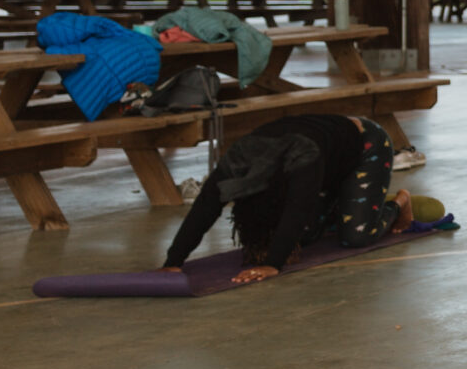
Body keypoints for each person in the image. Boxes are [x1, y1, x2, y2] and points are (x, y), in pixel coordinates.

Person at [161, 114, 411, 286]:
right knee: (304, 236)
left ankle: (398, 202)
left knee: (356, 235)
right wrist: (173, 262)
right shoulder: (235, 163)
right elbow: (204, 208)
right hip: (323, 157)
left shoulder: (302, 159)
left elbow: (297, 210)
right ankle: (356, 202)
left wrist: (274, 264)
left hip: (365, 145)